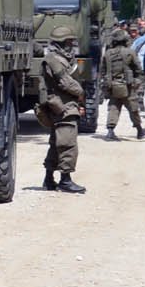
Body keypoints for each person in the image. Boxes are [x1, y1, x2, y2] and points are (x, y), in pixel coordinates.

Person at [36, 24, 86, 192]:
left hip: (65, 105)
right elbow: (64, 82)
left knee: (56, 143)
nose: (71, 45)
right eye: (69, 42)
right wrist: (80, 92)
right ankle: (65, 179)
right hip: (62, 106)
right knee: (67, 143)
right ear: (61, 42)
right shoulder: (53, 60)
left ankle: (49, 179)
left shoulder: (62, 58)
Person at [99, 28, 145, 139]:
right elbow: (138, 69)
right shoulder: (130, 52)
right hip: (128, 87)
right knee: (133, 108)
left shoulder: (108, 54)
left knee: (113, 107)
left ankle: (110, 130)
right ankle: (139, 130)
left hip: (112, 86)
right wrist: (137, 82)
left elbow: (102, 71)